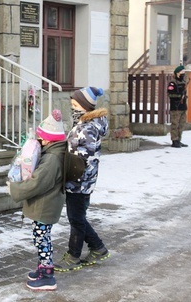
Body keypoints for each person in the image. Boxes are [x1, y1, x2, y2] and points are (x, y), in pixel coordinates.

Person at [9, 109, 67, 291]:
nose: (39, 141)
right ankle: (43, 267)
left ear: (49, 139)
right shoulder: (52, 153)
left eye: (42, 138)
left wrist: (15, 188)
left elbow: (37, 183)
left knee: (42, 238)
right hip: (46, 203)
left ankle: (48, 275)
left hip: (46, 204)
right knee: (40, 236)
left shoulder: (51, 159)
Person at [55, 86, 110, 272]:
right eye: (72, 104)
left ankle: (73, 256)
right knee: (78, 217)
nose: (73, 107)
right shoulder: (85, 124)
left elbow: (83, 158)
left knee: (76, 219)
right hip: (80, 181)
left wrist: (68, 172)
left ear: (86, 107)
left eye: (76, 104)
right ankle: (98, 248)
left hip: (79, 182)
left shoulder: (87, 128)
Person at [167, 65, 189, 148]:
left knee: (182, 124)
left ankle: (179, 140)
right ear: (177, 73)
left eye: (184, 72)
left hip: (183, 107)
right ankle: (174, 140)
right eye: (181, 72)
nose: (183, 74)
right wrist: (179, 95)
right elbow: (170, 94)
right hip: (176, 107)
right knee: (175, 124)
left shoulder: (183, 82)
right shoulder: (173, 83)